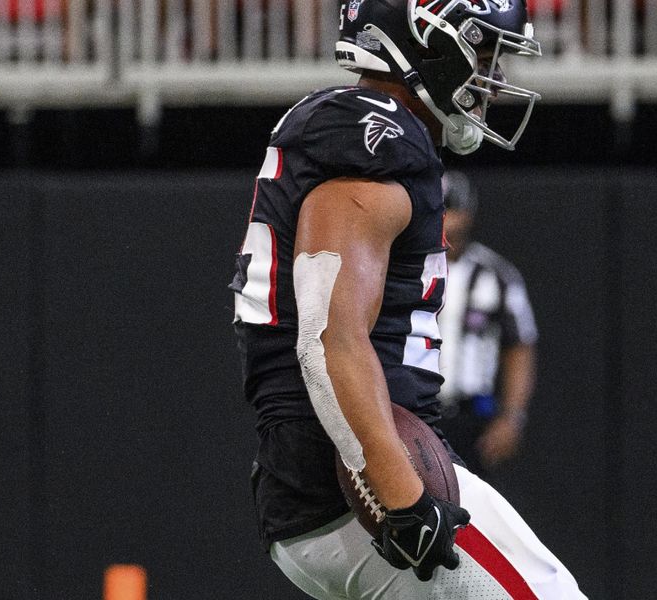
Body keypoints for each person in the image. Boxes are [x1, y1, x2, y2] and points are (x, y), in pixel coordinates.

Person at [230, 1, 586, 597]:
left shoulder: (363, 129)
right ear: (429, 42)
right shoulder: (376, 136)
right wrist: (400, 494)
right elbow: (327, 335)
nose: (493, 84)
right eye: (484, 55)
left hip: (328, 479)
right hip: (348, 484)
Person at [438, 170, 538, 475]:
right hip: (416, 414)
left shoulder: (496, 275)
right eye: (438, 209)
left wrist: (512, 416)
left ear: (468, 214)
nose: (445, 219)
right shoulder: (401, 270)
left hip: (472, 416)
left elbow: (520, 347)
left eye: (451, 209)